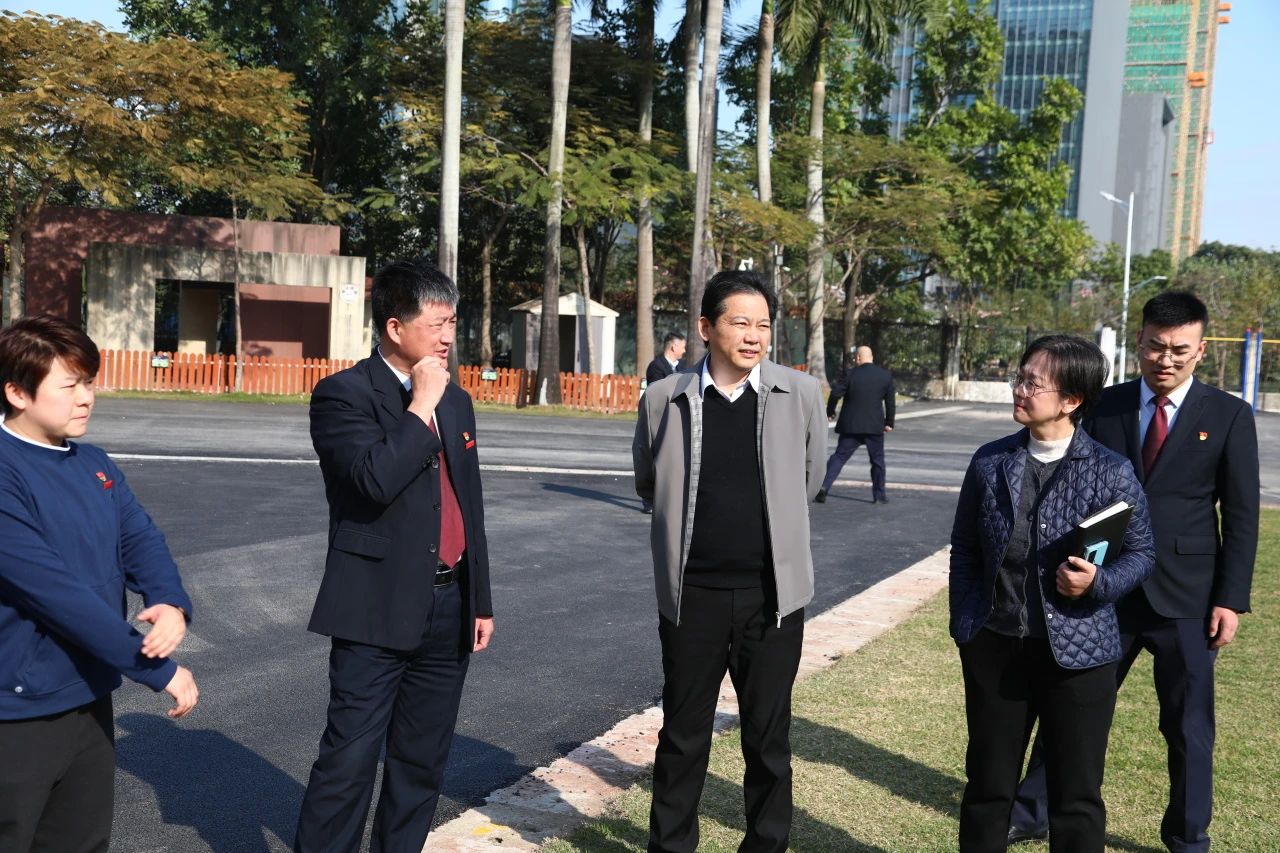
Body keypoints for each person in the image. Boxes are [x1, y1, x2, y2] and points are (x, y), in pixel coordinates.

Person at [1010, 293, 1259, 851]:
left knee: (1188, 725)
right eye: (1154, 346)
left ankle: (1188, 835)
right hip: (1103, 590)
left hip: (1187, 598)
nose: (1165, 359)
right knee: (1070, 710)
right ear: (1138, 341)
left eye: (1179, 350)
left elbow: (1242, 514)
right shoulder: (1104, 404)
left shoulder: (1228, 415)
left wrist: (1230, 599)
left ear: (1200, 350)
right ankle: (1031, 811)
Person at [294, 259, 495, 853]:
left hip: (449, 604)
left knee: (421, 763)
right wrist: (420, 406)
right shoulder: (343, 395)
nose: (447, 336)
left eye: (452, 322)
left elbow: (468, 504)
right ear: (394, 327)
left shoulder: (456, 401)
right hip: (374, 605)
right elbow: (372, 481)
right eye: (436, 324)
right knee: (348, 761)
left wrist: (480, 599)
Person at [633, 269, 827, 853]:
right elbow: (650, 482)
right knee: (682, 736)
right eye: (740, 322)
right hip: (692, 598)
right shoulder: (665, 399)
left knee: (768, 741)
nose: (753, 336)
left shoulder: (801, 395)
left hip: (773, 600)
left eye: (762, 324)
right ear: (705, 327)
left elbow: (810, 479)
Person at [949, 334, 1155, 852]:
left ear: (1071, 400)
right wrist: (965, 625)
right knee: (988, 787)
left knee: (1076, 796)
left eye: (1033, 383)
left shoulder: (1111, 470)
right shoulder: (990, 461)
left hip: (1080, 657)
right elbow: (965, 549)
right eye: (1019, 378)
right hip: (996, 647)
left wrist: (1097, 582)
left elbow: (1142, 553)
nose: (1019, 390)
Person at [0, 315, 198, 852]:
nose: (87, 397)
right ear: (17, 392)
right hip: (17, 711)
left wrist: (169, 601)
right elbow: (55, 595)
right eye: (70, 385)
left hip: (89, 694)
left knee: (82, 842)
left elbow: (140, 539)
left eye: (89, 381)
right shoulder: (6, 471)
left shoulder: (94, 463)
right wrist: (154, 666)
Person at [814, 345, 895, 504]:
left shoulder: (850, 374)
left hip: (851, 426)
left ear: (858, 357)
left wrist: (830, 412)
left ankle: (823, 487)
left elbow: (835, 393)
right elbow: (890, 402)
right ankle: (879, 496)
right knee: (877, 461)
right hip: (874, 426)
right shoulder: (884, 376)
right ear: (871, 357)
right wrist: (889, 422)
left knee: (839, 457)